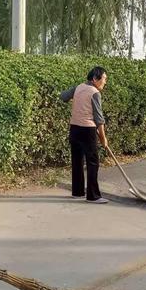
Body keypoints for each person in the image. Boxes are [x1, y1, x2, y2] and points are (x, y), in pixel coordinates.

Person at [60, 67, 109, 204]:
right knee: (93, 162)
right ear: (95, 79)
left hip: (74, 129)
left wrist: (78, 101)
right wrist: (103, 139)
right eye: (104, 79)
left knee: (77, 161)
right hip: (87, 131)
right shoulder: (95, 93)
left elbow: (63, 96)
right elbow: (99, 119)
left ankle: (77, 192)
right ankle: (93, 196)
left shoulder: (78, 87)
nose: (105, 82)